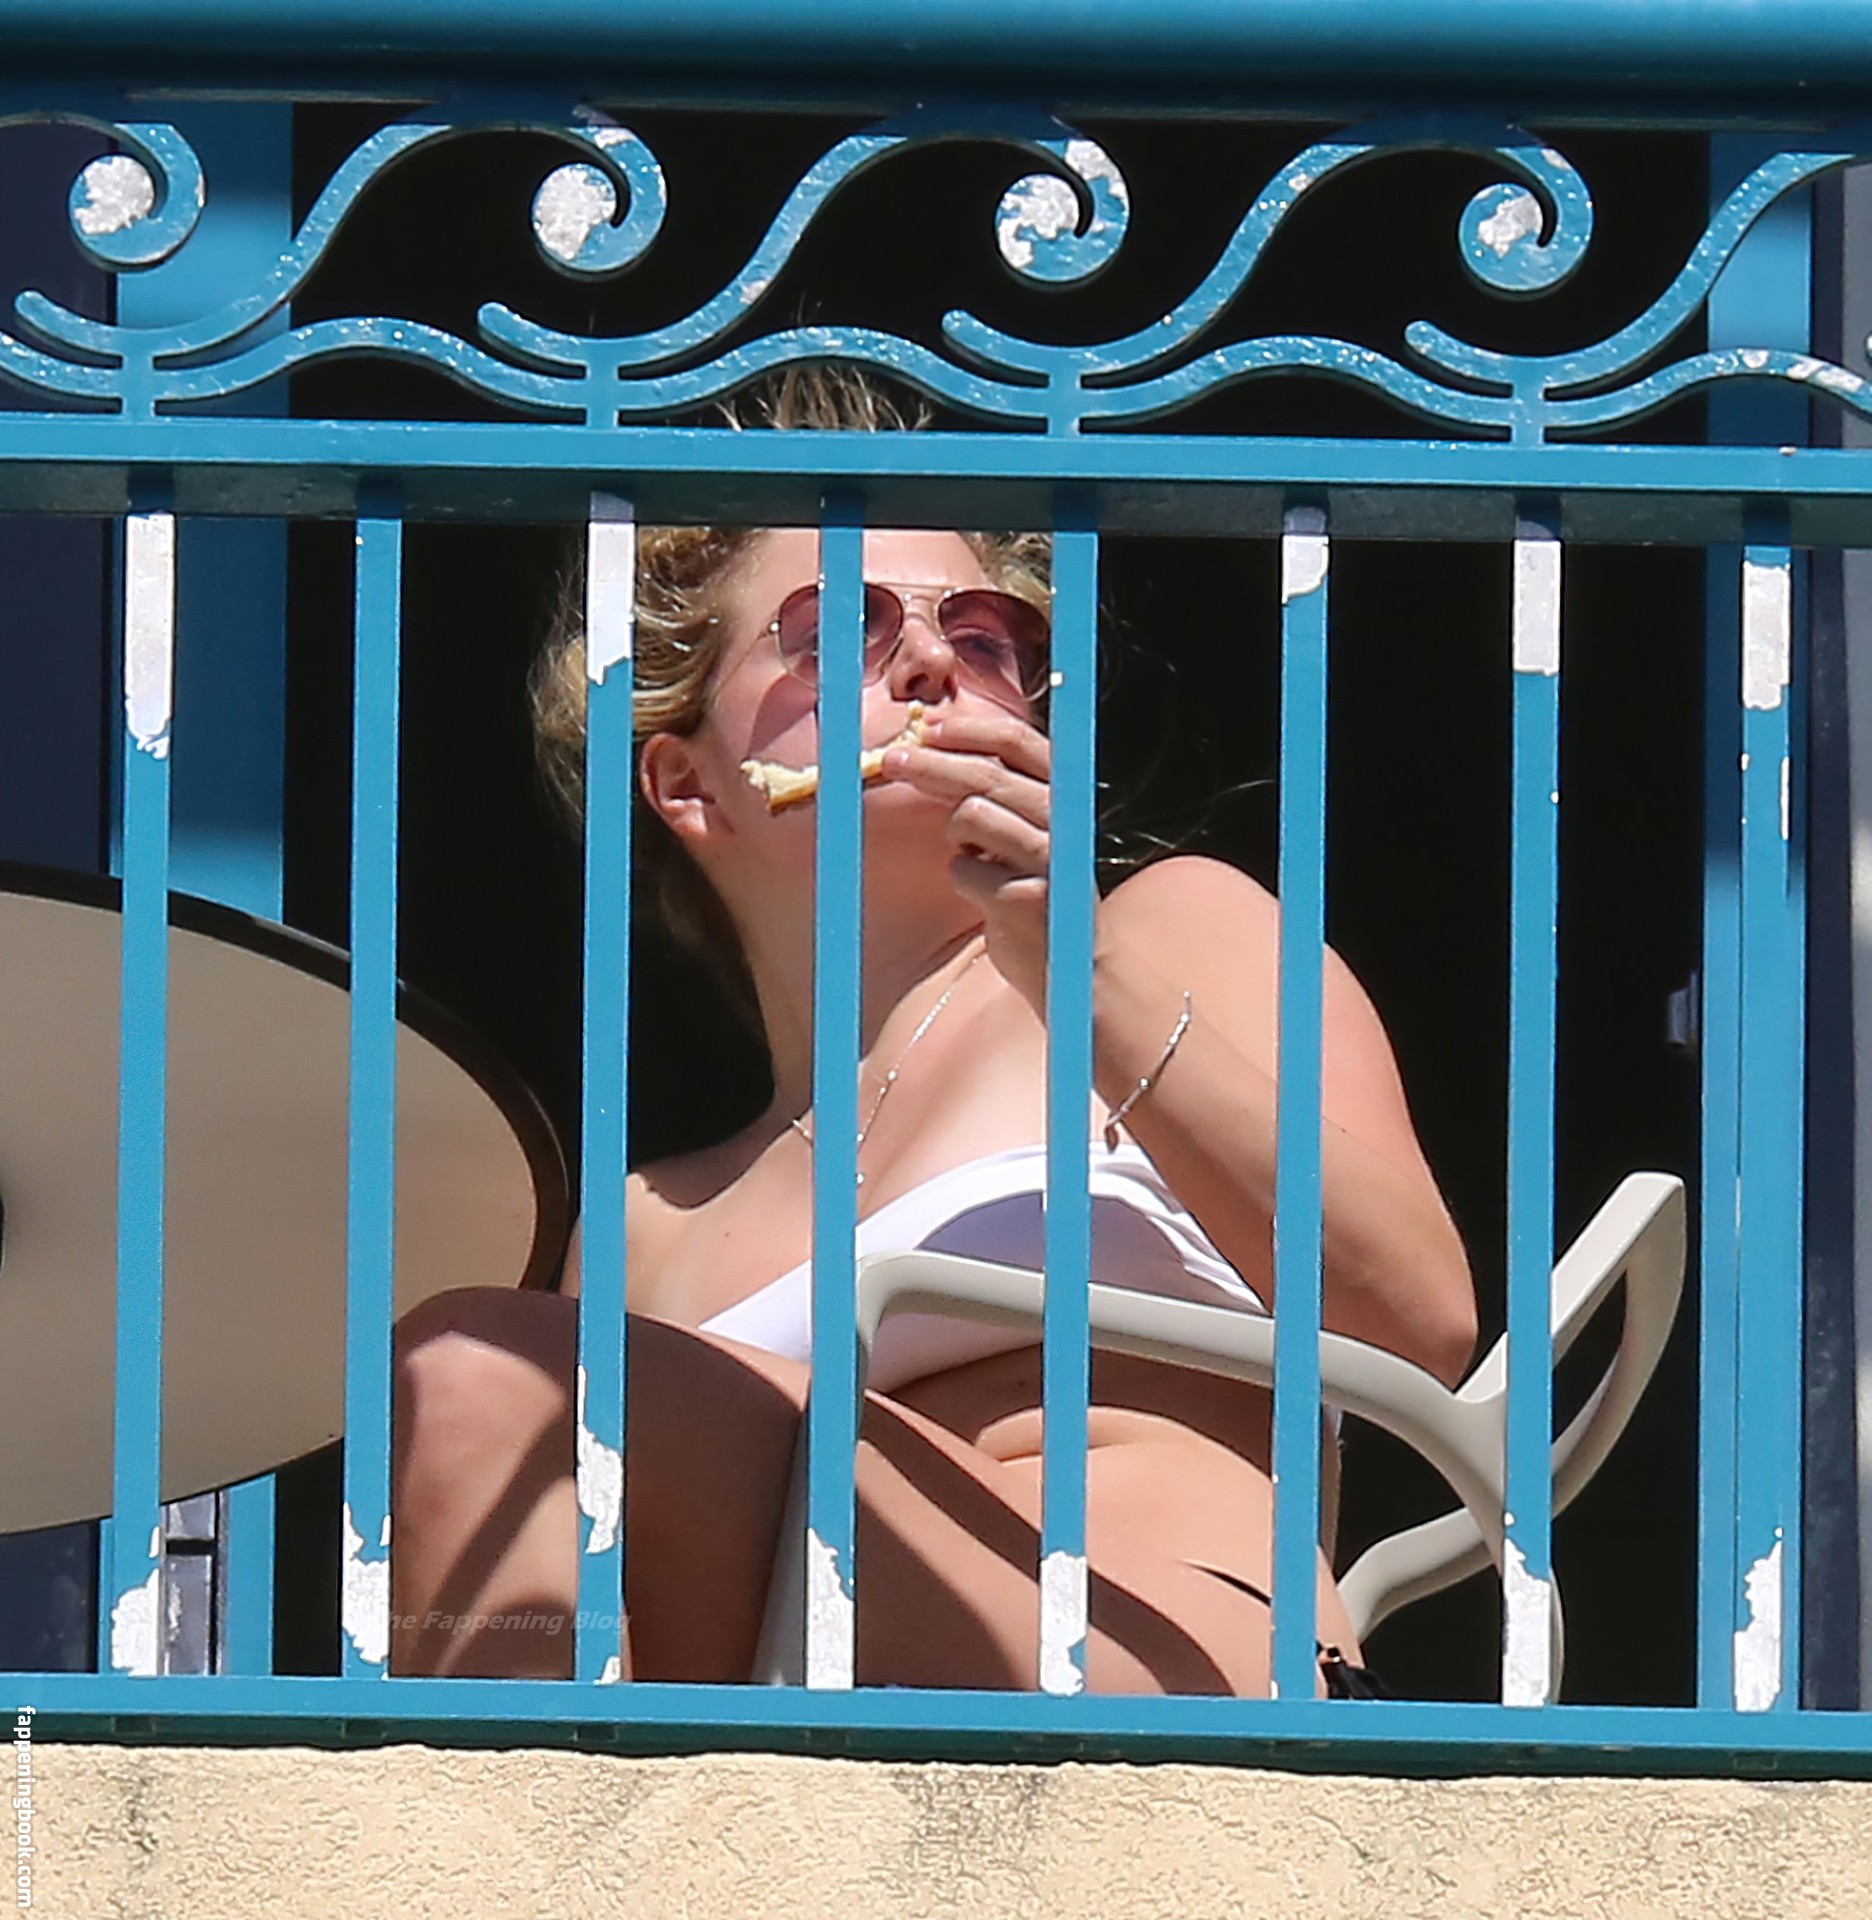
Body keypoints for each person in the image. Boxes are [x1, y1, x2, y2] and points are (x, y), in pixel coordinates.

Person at [389, 368, 1477, 1692]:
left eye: (985, 633)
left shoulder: (1175, 934)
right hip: (799, 1739)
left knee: (484, 1376)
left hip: (1170, 1654)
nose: (929, 661)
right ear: (685, 783)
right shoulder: (648, 1221)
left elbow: (1418, 1320)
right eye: (833, 628)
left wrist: (1082, 977)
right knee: (490, 1391)